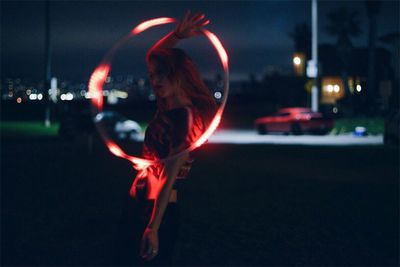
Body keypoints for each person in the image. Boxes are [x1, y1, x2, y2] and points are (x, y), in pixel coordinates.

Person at [113, 11, 217, 266]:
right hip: (136, 203)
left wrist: (153, 228)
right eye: (152, 75)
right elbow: (153, 55)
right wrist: (177, 36)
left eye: (162, 74)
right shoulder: (166, 108)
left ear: (178, 74)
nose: (154, 80)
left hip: (157, 212)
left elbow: (169, 175)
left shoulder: (187, 118)